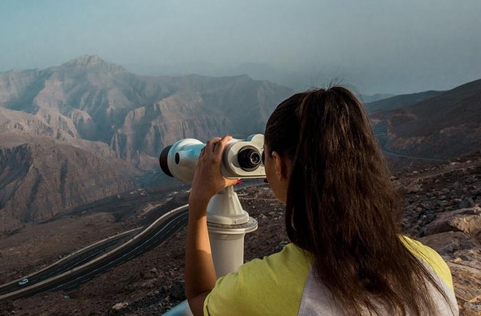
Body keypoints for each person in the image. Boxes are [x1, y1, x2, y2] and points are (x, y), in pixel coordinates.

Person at [184, 86, 458, 316]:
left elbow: (201, 299)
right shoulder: (431, 267)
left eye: (265, 155)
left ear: (278, 165)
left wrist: (199, 200)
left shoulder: (267, 287)